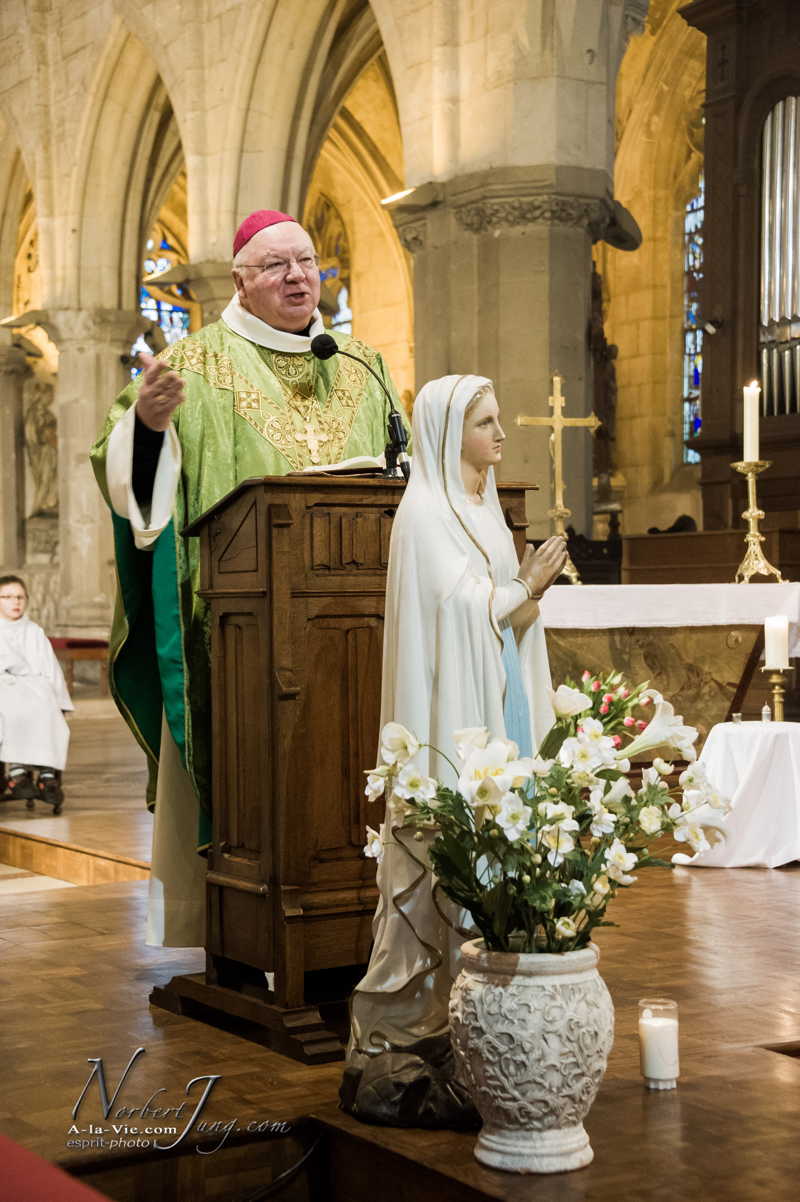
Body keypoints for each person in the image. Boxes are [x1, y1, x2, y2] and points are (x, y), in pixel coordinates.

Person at [90, 209, 402, 947]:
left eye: (307, 262)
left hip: (362, 622)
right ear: (240, 281)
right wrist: (149, 427)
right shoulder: (193, 366)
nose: (298, 277)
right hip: (238, 639)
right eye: (276, 267)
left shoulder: (361, 364)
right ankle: (249, 934)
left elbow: (403, 469)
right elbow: (124, 473)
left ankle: (361, 925)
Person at [343, 375, 567, 1128]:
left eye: (499, 421)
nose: (500, 437)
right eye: (485, 423)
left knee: (481, 886)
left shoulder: (484, 512)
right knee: (422, 886)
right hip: (446, 735)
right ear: (446, 434)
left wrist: (525, 588)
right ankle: (394, 1038)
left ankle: (463, 1031)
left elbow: (499, 619)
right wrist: (522, 586)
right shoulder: (425, 516)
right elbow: (457, 622)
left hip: (492, 729)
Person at [0, 575, 73, 811]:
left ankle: (46, 775)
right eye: (8, 597)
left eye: (20, 597)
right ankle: (17, 771)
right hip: (5, 687)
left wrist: (60, 701)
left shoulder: (34, 631)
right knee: (15, 708)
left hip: (35, 689)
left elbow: (51, 668)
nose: (15, 602)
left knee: (47, 707)